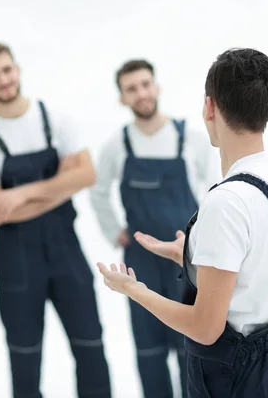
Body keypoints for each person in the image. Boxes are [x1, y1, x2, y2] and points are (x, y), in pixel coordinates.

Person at [96, 48, 268, 397]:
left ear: (209, 108)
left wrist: (134, 289)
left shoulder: (224, 202)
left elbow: (205, 329)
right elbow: (255, 264)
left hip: (230, 377)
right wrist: (195, 254)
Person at [0, 42, 112, 398]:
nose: (3, 80)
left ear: (17, 69)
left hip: (67, 251)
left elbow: (88, 175)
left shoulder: (56, 118)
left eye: (6, 70)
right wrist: (62, 185)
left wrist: (19, 193)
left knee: (91, 345)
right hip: (16, 259)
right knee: (25, 355)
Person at [89, 59, 220, 397]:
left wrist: (204, 238)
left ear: (156, 87)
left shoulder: (189, 138)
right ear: (123, 98)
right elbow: (98, 190)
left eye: (145, 84)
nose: (141, 93)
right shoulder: (116, 146)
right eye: (131, 88)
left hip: (185, 258)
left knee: (191, 342)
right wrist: (112, 230)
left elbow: (212, 190)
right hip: (140, 261)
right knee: (148, 348)